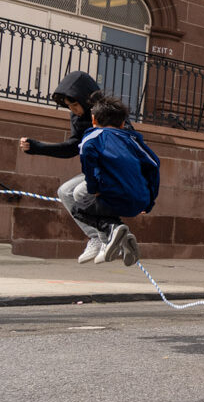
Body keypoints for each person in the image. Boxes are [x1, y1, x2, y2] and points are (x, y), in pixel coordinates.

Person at [18, 71, 107, 263]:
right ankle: (96, 237)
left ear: (87, 99)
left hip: (117, 169)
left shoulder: (109, 113)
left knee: (81, 192)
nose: (73, 110)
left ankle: (107, 236)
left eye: (75, 105)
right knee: (65, 191)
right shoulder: (78, 119)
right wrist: (38, 147)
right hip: (95, 171)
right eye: (69, 106)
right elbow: (72, 148)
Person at [74, 93, 160, 266]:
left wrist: (93, 188)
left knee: (78, 203)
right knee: (101, 205)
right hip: (139, 203)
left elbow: (86, 158)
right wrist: (150, 201)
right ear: (122, 123)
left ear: (93, 120)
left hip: (112, 198)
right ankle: (121, 239)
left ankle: (109, 233)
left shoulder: (93, 136)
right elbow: (154, 165)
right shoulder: (133, 140)